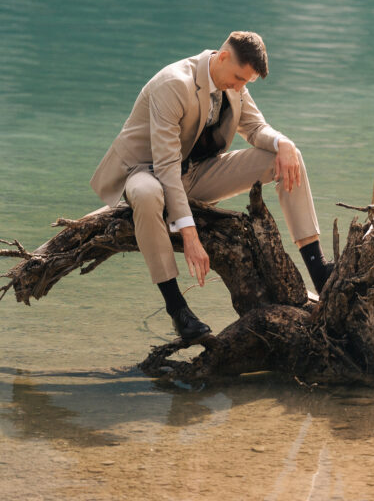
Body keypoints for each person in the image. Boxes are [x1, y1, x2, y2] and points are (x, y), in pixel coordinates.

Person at [91, 31, 333, 342]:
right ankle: (178, 309)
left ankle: (319, 270)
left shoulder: (234, 84)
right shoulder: (174, 84)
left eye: (246, 83)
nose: (239, 87)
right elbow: (165, 167)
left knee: (288, 156)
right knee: (148, 193)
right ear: (221, 57)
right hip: (146, 172)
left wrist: (283, 142)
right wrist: (189, 234)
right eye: (237, 78)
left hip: (195, 174)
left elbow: (256, 127)